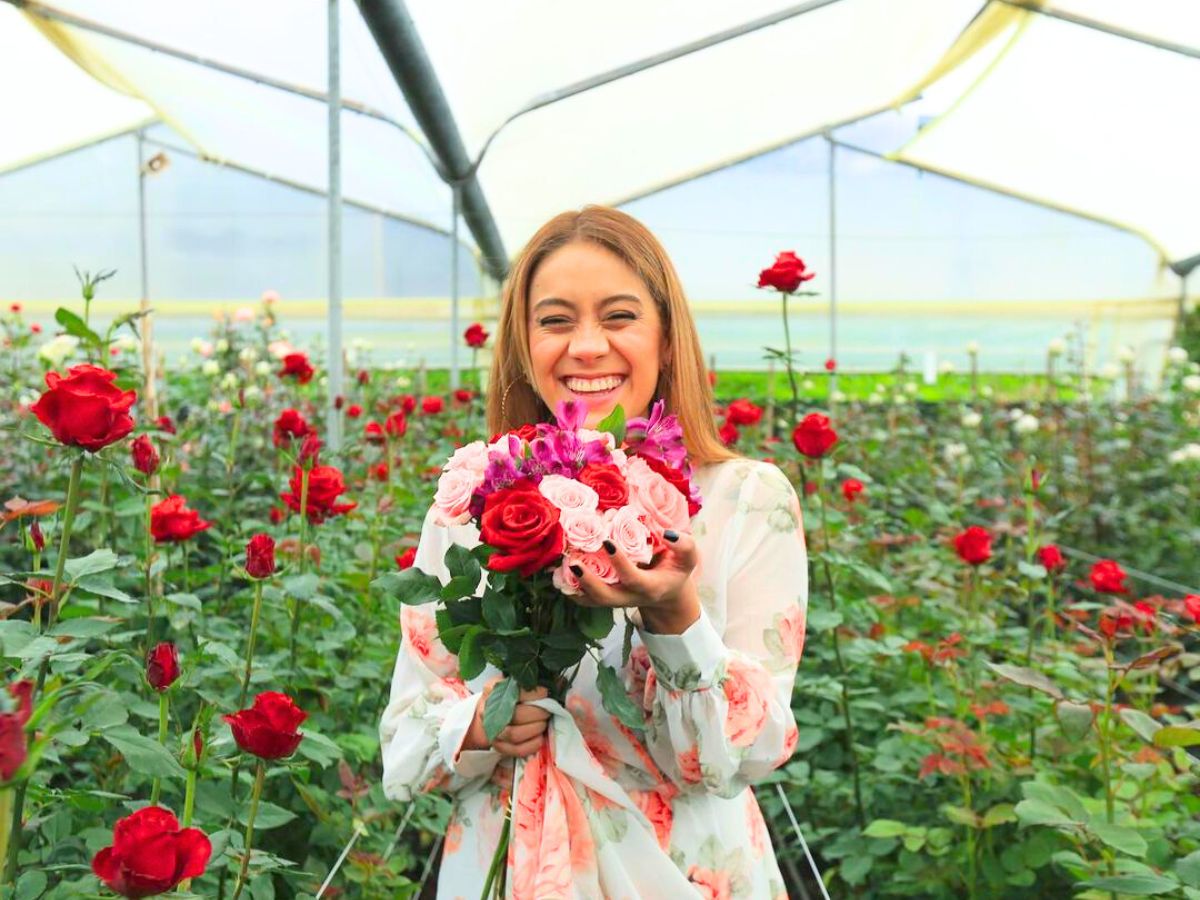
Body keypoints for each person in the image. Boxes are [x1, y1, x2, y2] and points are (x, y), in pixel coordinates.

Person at [380, 206, 808, 898]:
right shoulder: (475, 501)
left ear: (666, 339)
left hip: (678, 873)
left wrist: (676, 618)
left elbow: (742, 756)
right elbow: (402, 749)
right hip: (509, 863)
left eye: (618, 317)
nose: (586, 347)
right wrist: (479, 726)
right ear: (522, 346)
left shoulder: (743, 500)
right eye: (555, 321)